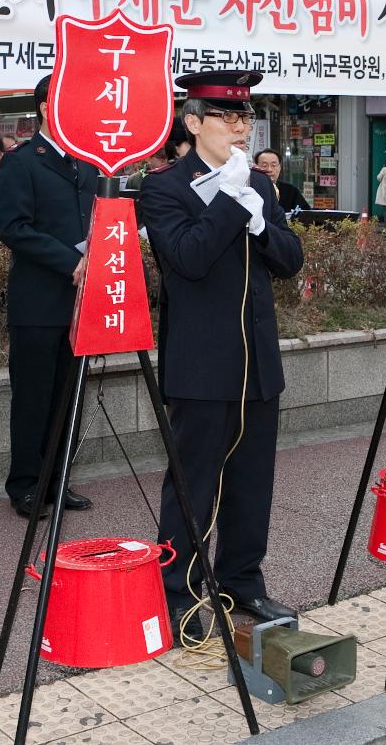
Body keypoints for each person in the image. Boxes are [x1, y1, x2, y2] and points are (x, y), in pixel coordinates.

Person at [139, 70, 304, 643]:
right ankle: (179, 595)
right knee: (193, 484)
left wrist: (259, 218)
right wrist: (233, 203)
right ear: (193, 122)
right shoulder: (164, 188)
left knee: (252, 483)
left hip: (257, 363)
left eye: (245, 116)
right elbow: (187, 258)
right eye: (227, 116)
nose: (240, 126)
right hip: (202, 366)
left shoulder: (258, 182)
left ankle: (242, 583)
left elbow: (289, 260)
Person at [0, 74, 98, 519]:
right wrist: (68, 261)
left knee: (70, 396)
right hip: (38, 302)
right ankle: (26, 486)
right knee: (34, 398)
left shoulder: (89, 162)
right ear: (44, 107)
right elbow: (14, 228)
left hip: (83, 303)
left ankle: (58, 480)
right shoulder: (21, 162)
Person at [254, 148, 310, 212]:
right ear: (256, 168)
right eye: (264, 166)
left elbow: (305, 214)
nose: (269, 170)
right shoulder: (250, 189)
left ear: (280, 168)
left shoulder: (291, 190)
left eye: (273, 165)